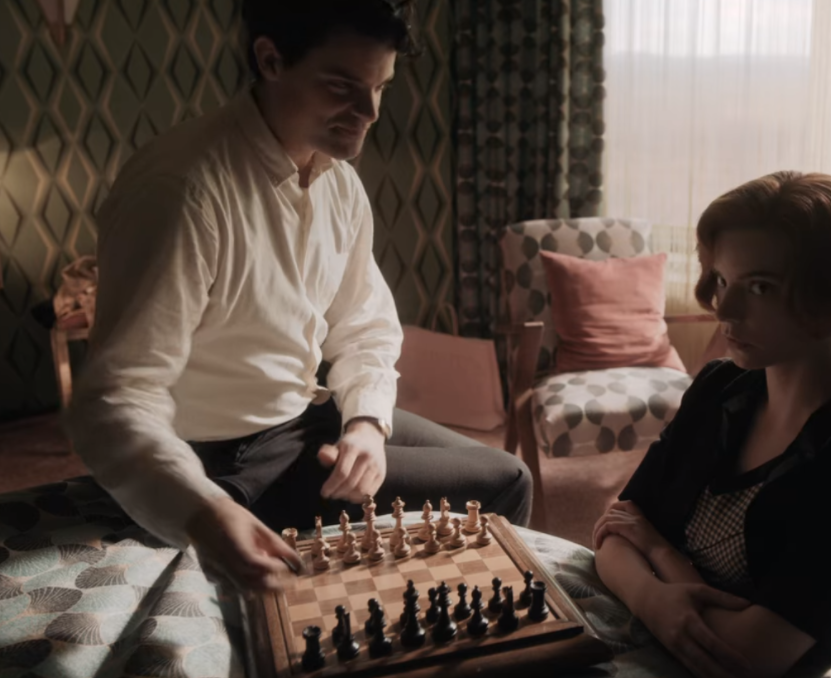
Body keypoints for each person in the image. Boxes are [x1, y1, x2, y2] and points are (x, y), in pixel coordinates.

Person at [67, 0, 532, 593]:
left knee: (506, 470)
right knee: (503, 485)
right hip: (226, 459)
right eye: (342, 86)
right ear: (270, 60)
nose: (370, 113)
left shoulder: (340, 183)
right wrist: (202, 511)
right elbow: (113, 400)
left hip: (307, 414)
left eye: (380, 87)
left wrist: (367, 423)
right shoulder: (181, 192)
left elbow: (363, 322)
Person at [592, 172, 831, 677]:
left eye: (761, 287)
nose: (724, 308)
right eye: (723, 281)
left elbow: (753, 654)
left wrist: (657, 552)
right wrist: (652, 599)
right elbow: (614, 531)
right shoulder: (719, 388)